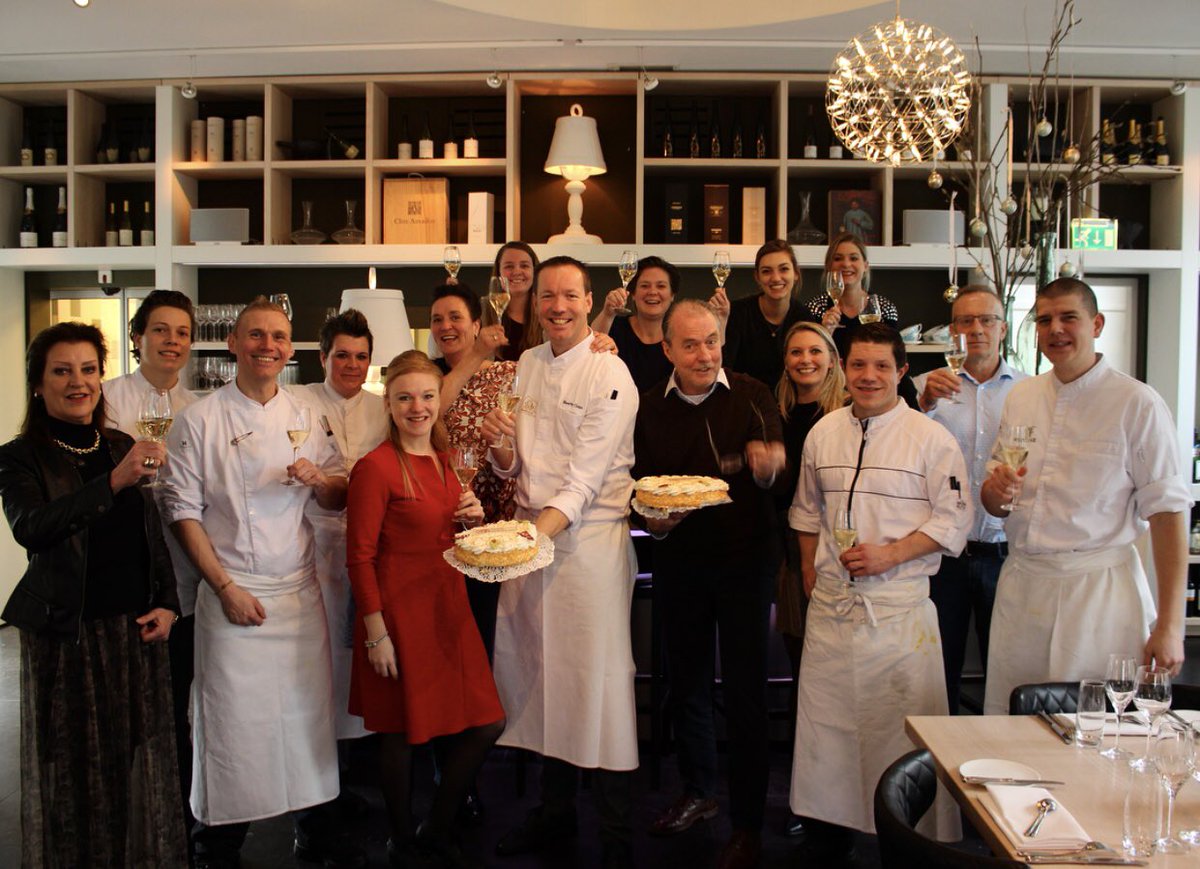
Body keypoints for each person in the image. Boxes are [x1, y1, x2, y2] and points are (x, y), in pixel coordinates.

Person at [162, 297, 363, 869]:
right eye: (255, 335)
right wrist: (225, 588)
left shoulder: (306, 413)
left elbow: (339, 494)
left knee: (306, 718)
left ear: (289, 347)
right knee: (233, 722)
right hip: (233, 590)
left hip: (297, 592)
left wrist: (320, 480)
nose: (267, 346)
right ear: (233, 344)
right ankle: (217, 845)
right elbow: (181, 512)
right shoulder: (198, 420)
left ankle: (314, 832)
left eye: (277, 336)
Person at [0, 321, 187, 867]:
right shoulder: (19, 456)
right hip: (68, 636)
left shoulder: (120, 445)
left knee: (129, 761)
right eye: (62, 371)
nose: (78, 382)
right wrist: (111, 482)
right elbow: (33, 527)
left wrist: (168, 602)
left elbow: (150, 533)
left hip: (131, 633)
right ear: (39, 384)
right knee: (74, 771)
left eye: (88, 369)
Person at [789, 323, 971, 861]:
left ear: (902, 371)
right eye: (858, 365)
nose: (869, 376)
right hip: (831, 612)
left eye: (882, 366)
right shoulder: (823, 433)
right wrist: (809, 570)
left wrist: (891, 555)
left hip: (898, 617)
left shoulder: (932, 439)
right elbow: (806, 512)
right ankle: (828, 838)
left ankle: (907, 844)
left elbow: (954, 521)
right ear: (843, 369)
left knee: (898, 736)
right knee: (826, 736)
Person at [481, 256, 640, 869]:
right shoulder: (526, 364)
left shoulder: (610, 371)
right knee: (542, 679)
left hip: (588, 549)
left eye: (570, 295)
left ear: (589, 300)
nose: (558, 307)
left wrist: (525, 544)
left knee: (598, 686)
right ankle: (554, 814)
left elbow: (582, 483)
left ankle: (618, 835)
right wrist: (500, 447)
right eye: (548, 296)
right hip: (533, 537)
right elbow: (513, 469)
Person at [980, 278, 1190, 713]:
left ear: (1096, 324)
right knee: (1014, 720)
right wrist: (996, 492)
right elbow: (994, 502)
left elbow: (1168, 513)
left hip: (1099, 592)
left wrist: (1171, 625)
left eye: (1068, 317)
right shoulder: (1022, 397)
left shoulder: (1137, 403)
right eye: (1044, 320)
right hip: (1024, 589)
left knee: (1094, 722)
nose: (1055, 329)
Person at [632, 299, 786, 869]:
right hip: (680, 561)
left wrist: (767, 464)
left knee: (745, 694)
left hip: (746, 563)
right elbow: (642, 487)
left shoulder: (752, 393)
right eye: (691, 344)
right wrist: (654, 520)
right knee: (688, 685)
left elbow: (774, 467)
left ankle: (747, 824)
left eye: (712, 341)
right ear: (668, 349)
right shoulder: (649, 406)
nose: (704, 354)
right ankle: (699, 793)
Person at [346, 350, 505, 869]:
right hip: (396, 615)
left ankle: (435, 825)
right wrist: (376, 633)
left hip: (447, 608)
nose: (418, 407)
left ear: (439, 400)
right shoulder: (375, 468)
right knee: (398, 733)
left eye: (427, 396)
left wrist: (471, 520)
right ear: (389, 405)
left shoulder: (446, 460)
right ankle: (401, 841)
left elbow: (449, 537)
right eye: (405, 397)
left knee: (487, 723)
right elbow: (360, 557)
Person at [100, 289, 203, 836]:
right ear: (138, 337)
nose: (172, 341)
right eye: (160, 330)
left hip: (180, 577)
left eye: (182, 332)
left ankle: (174, 823)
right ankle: (124, 821)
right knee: (122, 711)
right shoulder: (107, 399)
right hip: (122, 574)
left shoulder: (197, 409)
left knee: (175, 704)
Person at [913, 286, 1026, 714]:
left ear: (1003, 328)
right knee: (938, 669)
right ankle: (938, 753)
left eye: (986, 320)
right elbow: (903, 450)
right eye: (965, 321)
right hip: (946, 554)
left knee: (1008, 669)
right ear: (952, 330)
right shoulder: (926, 387)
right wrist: (923, 404)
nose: (975, 329)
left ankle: (1005, 749)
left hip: (1005, 552)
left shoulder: (1030, 393)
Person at [291, 310, 388, 756]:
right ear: (323, 357)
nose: (352, 365)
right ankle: (320, 748)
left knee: (359, 646)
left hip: (369, 542)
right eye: (342, 356)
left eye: (361, 357)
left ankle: (361, 747)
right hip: (313, 541)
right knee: (321, 647)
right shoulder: (298, 402)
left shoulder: (383, 408)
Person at [773, 322, 845, 758]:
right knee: (802, 656)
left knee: (837, 661)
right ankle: (807, 761)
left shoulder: (850, 413)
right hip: (791, 549)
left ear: (832, 360)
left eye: (815, 351)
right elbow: (780, 492)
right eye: (796, 352)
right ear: (785, 362)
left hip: (842, 549)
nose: (805, 360)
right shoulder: (775, 413)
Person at [722, 239, 807, 389]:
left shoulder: (804, 317)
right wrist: (719, 324)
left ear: (796, 274)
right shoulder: (737, 313)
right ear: (757, 277)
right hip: (744, 399)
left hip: (789, 400)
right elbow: (724, 370)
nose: (776, 278)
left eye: (783, 269)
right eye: (766, 271)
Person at [591, 255, 678, 393]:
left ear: (672, 295)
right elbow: (588, 350)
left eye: (661, 286)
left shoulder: (678, 336)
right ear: (633, 294)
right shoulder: (615, 327)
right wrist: (607, 313)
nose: (653, 292)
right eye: (645, 286)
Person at [805, 232, 900, 358]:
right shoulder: (815, 308)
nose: (846, 264)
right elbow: (810, 358)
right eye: (838, 258)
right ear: (828, 266)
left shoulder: (883, 308)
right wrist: (825, 332)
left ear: (865, 266)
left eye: (853, 258)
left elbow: (893, 357)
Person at [492, 241, 541, 361]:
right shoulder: (483, 313)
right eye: (509, 266)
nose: (517, 272)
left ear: (535, 271)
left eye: (524, 266)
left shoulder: (547, 313)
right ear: (499, 273)